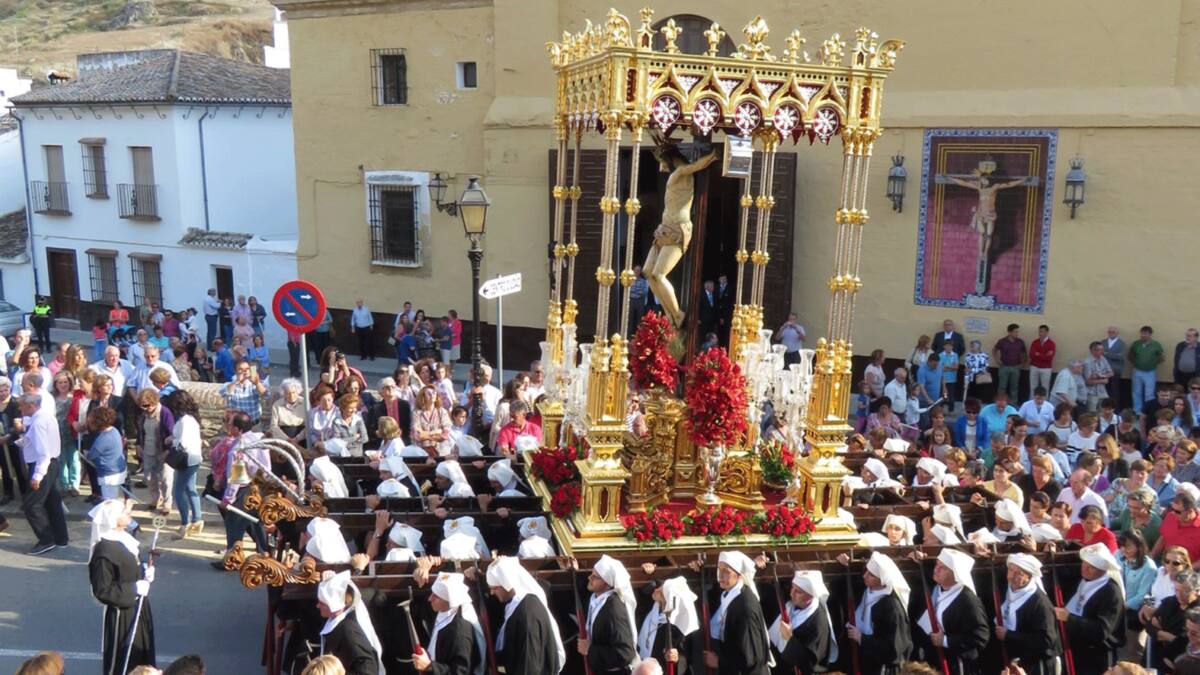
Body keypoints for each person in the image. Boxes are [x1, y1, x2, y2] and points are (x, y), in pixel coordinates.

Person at [88, 499, 156, 673]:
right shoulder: (103, 552)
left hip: (138, 608)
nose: (129, 514)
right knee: (125, 661)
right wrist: (134, 588)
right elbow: (102, 590)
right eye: (124, 513)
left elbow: (129, 567)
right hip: (122, 615)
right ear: (112, 519)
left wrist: (143, 571)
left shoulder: (125, 539)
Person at [486, 555, 566, 675]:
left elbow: (529, 663)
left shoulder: (527, 615)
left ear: (507, 584)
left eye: (494, 588)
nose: (491, 592)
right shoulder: (520, 603)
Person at [916, 549, 989, 675]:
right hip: (935, 660)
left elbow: (980, 636)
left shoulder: (967, 601)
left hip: (957, 664)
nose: (936, 569)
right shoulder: (938, 590)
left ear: (956, 574)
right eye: (937, 564)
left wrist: (945, 640)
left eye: (942, 567)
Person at [1057, 542, 1126, 673]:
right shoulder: (1082, 579)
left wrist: (1069, 618)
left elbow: (1102, 630)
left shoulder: (1110, 593)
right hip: (1075, 649)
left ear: (1103, 570)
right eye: (1084, 563)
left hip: (1097, 655)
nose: (1085, 568)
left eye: (1091, 567)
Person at [704, 551, 770, 675]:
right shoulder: (729, 595)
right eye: (719, 570)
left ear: (739, 575)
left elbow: (751, 657)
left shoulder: (744, 606)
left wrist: (719, 662)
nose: (721, 575)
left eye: (727, 572)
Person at [18, 392, 68, 555]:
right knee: (52, 501)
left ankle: (46, 540)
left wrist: (37, 476)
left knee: (32, 504)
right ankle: (61, 538)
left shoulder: (39, 422)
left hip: (43, 465)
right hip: (51, 464)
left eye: (21, 405)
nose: (19, 408)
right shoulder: (45, 417)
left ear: (31, 406)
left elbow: (43, 452)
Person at [996, 553, 1061, 675]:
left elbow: (1046, 640)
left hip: (1038, 665)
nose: (1012, 576)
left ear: (1029, 576)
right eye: (1010, 570)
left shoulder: (1040, 604)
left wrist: (1009, 635)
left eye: (1019, 573)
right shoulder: (1009, 589)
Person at [848, 551, 912, 675]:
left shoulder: (891, 606)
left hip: (884, 668)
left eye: (871, 575)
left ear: (883, 580)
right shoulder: (866, 592)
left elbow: (892, 647)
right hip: (867, 662)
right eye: (865, 571)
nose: (864, 576)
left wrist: (862, 638)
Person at [411, 572, 485, 675]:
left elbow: (460, 672)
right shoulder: (443, 609)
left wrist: (429, 666)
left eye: (436, 596)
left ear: (450, 600)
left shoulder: (460, 634)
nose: (430, 598)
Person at [579, 555, 638, 673]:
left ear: (608, 583)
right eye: (591, 573)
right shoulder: (597, 598)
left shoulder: (613, 610)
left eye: (595, 577)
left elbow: (625, 653)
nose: (590, 578)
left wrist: (590, 650)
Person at [769, 570, 837, 673]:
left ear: (810, 596)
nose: (792, 594)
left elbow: (810, 662)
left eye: (798, 592)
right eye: (792, 588)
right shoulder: (792, 604)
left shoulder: (818, 623)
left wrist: (789, 637)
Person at [317, 570, 384, 674]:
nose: (317, 606)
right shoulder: (336, 622)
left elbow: (368, 668)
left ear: (334, 605)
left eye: (322, 603)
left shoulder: (349, 631)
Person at [637, 575, 698, 673]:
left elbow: (686, 657)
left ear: (668, 598)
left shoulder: (679, 627)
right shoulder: (652, 609)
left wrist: (676, 658)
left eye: (661, 591)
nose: (656, 590)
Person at [164, 391, 203, 539]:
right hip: (193, 458)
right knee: (190, 489)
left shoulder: (185, 420)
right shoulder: (189, 419)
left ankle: (185, 523)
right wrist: (173, 437)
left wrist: (172, 441)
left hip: (186, 460)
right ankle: (197, 519)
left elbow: (183, 443)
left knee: (178, 492)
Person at [1146, 569, 1200, 671]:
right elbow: (1149, 626)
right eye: (1176, 590)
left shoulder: (1197, 612)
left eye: (1185, 591)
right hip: (1158, 656)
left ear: (1197, 591)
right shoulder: (1170, 602)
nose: (1179, 595)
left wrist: (1162, 633)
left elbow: (1185, 640)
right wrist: (1165, 634)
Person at [136, 389, 175, 516]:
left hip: (162, 450)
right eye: (143, 405)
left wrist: (168, 450)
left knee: (165, 479)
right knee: (149, 478)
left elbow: (171, 433)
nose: (145, 408)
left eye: (147, 405)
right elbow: (140, 431)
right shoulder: (143, 415)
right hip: (148, 449)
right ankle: (155, 498)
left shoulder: (164, 413)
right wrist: (138, 445)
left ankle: (167, 504)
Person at [1154, 491, 1200, 562]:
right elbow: (1163, 539)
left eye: (1178, 511)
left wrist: (1190, 569)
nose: (1174, 513)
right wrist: (1152, 556)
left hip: (1191, 570)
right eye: (1172, 509)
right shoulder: (1170, 516)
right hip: (1167, 564)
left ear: (1190, 511)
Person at [222, 359, 268, 425]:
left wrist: (257, 383)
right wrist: (237, 382)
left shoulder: (255, 385)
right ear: (235, 371)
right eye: (241, 369)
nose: (244, 372)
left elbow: (266, 395)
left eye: (247, 369)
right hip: (236, 424)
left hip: (253, 423)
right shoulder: (229, 384)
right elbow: (225, 393)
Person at [1130, 326, 1165, 414]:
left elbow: (1162, 357)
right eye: (1142, 333)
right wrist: (1136, 363)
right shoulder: (1136, 344)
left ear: (1150, 334)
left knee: (1149, 394)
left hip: (1150, 372)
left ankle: (1148, 412)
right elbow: (1130, 355)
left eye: (1145, 333)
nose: (1143, 335)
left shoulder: (1156, 344)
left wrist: (1153, 363)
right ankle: (1137, 412)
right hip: (1137, 371)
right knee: (1136, 392)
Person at [993, 323, 1026, 402]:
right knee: (1002, 387)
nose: (1017, 333)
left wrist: (1023, 364)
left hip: (1015, 367)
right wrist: (997, 360)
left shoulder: (1020, 342)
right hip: (1004, 366)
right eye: (1015, 331)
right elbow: (994, 350)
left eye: (1017, 332)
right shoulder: (1002, 341)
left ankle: (1013, 404)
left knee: (1014, 387)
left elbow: (1024, 353)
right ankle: (1000, 402)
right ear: (1009, 332)